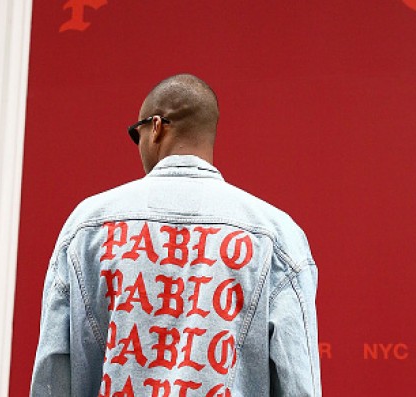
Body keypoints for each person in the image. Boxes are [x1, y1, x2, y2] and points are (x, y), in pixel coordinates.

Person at [30, 74, 321, 396]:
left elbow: (53, 367)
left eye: (136, 134)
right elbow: (297, 377)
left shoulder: (88, 224)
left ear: (156, 127)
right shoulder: (276, 233)